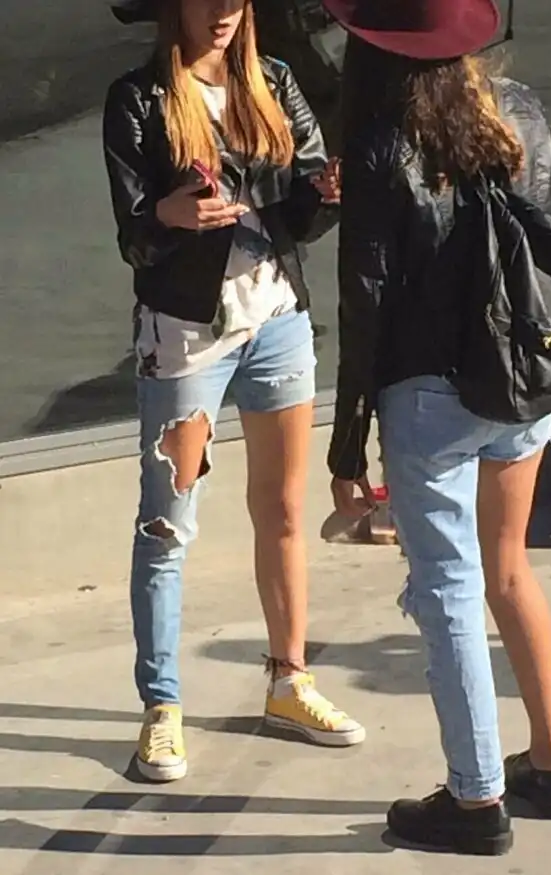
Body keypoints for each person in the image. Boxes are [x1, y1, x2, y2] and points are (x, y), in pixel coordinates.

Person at [323, 0, 551, 855]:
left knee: (449, 592)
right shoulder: (522, 114)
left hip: (431, 394)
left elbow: (364, 303)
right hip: (519, 377)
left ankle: (475, 800)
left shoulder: (381, 145)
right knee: (508, 567)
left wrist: (348, 442)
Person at [103, 0, 364, 783]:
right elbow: (132, 237)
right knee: (167, 524)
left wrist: (326, 193)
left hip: (277, 319)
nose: (221, 12)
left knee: (282, 510)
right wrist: (167, 214)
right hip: (186, 334)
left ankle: (290, 680)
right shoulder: (140, 97)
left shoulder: (274, 82)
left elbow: (300, 214)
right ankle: (162, 706)